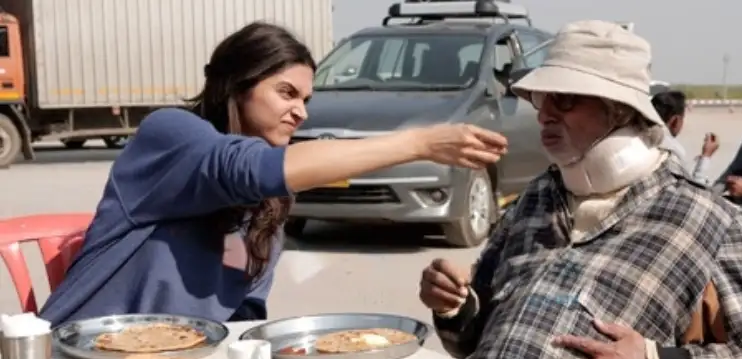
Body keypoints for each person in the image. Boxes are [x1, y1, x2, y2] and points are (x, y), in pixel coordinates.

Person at [418, 20, 742, 359]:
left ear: (620, 110)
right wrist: (457, 309)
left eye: (564, 98)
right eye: (540, 98)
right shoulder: (536, 198)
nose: (544, 113)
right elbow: (470, 341)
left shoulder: (715, 221)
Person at [38, 22, 507, 327]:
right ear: (237, 86)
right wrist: (418, 143)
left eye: (306, 99)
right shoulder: (171, 135)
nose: (300, 112)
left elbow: (244, 314)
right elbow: (247, 169)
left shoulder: (269, 206)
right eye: (286, 93)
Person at [650, 90, 719, 184]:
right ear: (675, 120)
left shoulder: (639, 139)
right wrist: (706, 157)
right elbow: (694, 190)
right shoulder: (672, 150)